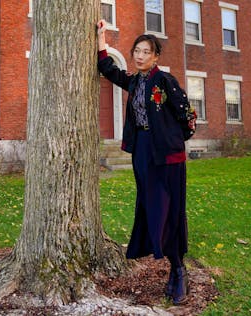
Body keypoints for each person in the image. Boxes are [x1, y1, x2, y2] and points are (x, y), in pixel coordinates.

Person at [97, 19, 197, 305]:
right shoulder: (136, 81)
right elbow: (109, 70)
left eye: (146, 52)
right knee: (152, 211)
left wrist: (174, 141)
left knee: (170, 212)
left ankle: (178, 271)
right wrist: (102, 38)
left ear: (156, 57)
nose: (140, 56)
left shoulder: (164, 80)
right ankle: (172, 266)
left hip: (168, 158)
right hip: (143, 155)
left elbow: (187, 115)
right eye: (136, 51)